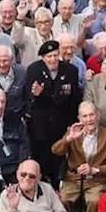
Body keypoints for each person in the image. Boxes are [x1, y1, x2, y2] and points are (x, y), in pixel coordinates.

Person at [25, 40, 82, 185]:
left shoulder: (70, 71)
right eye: (49, 56)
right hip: (40, 127)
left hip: (62, 124)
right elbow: (31, 98)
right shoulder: (34, 70)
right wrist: (39, 95)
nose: (53, 59)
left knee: (60, 160)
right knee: (42, 160)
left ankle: (58, 187)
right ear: (43, 58)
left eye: (55, 55)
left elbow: (74, 99)